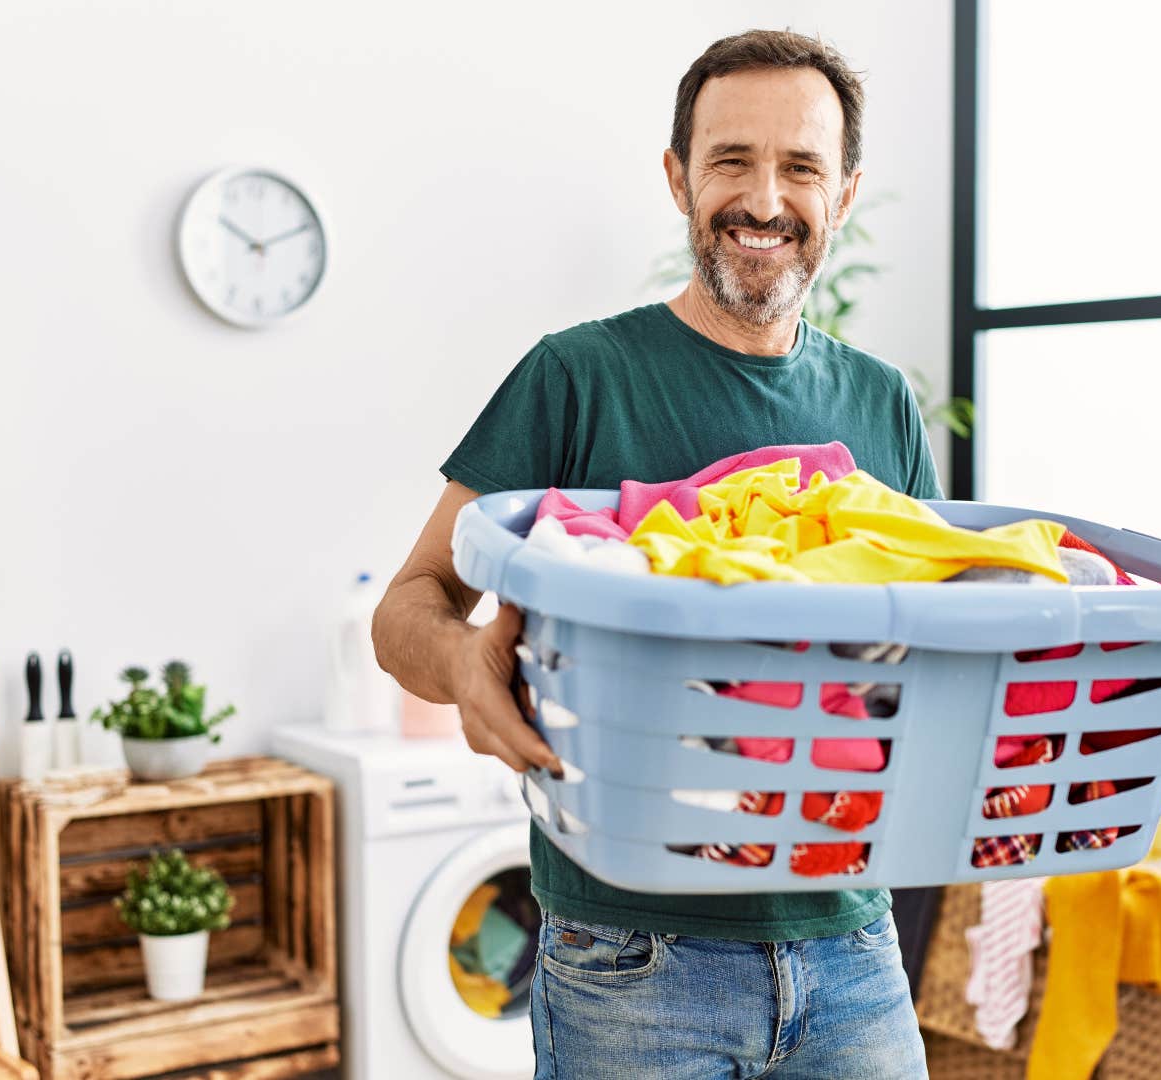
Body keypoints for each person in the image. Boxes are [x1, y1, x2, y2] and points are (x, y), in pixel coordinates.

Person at [373, 28, 936, 1079]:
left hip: (852, 943)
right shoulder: (578, 377)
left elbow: (937, 638)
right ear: (679, 177)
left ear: (843, 196)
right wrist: (461, 667)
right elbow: (407, 603)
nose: (765, 199)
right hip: (634, 958)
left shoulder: (884, 402)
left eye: (801, 167)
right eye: (731, 160)